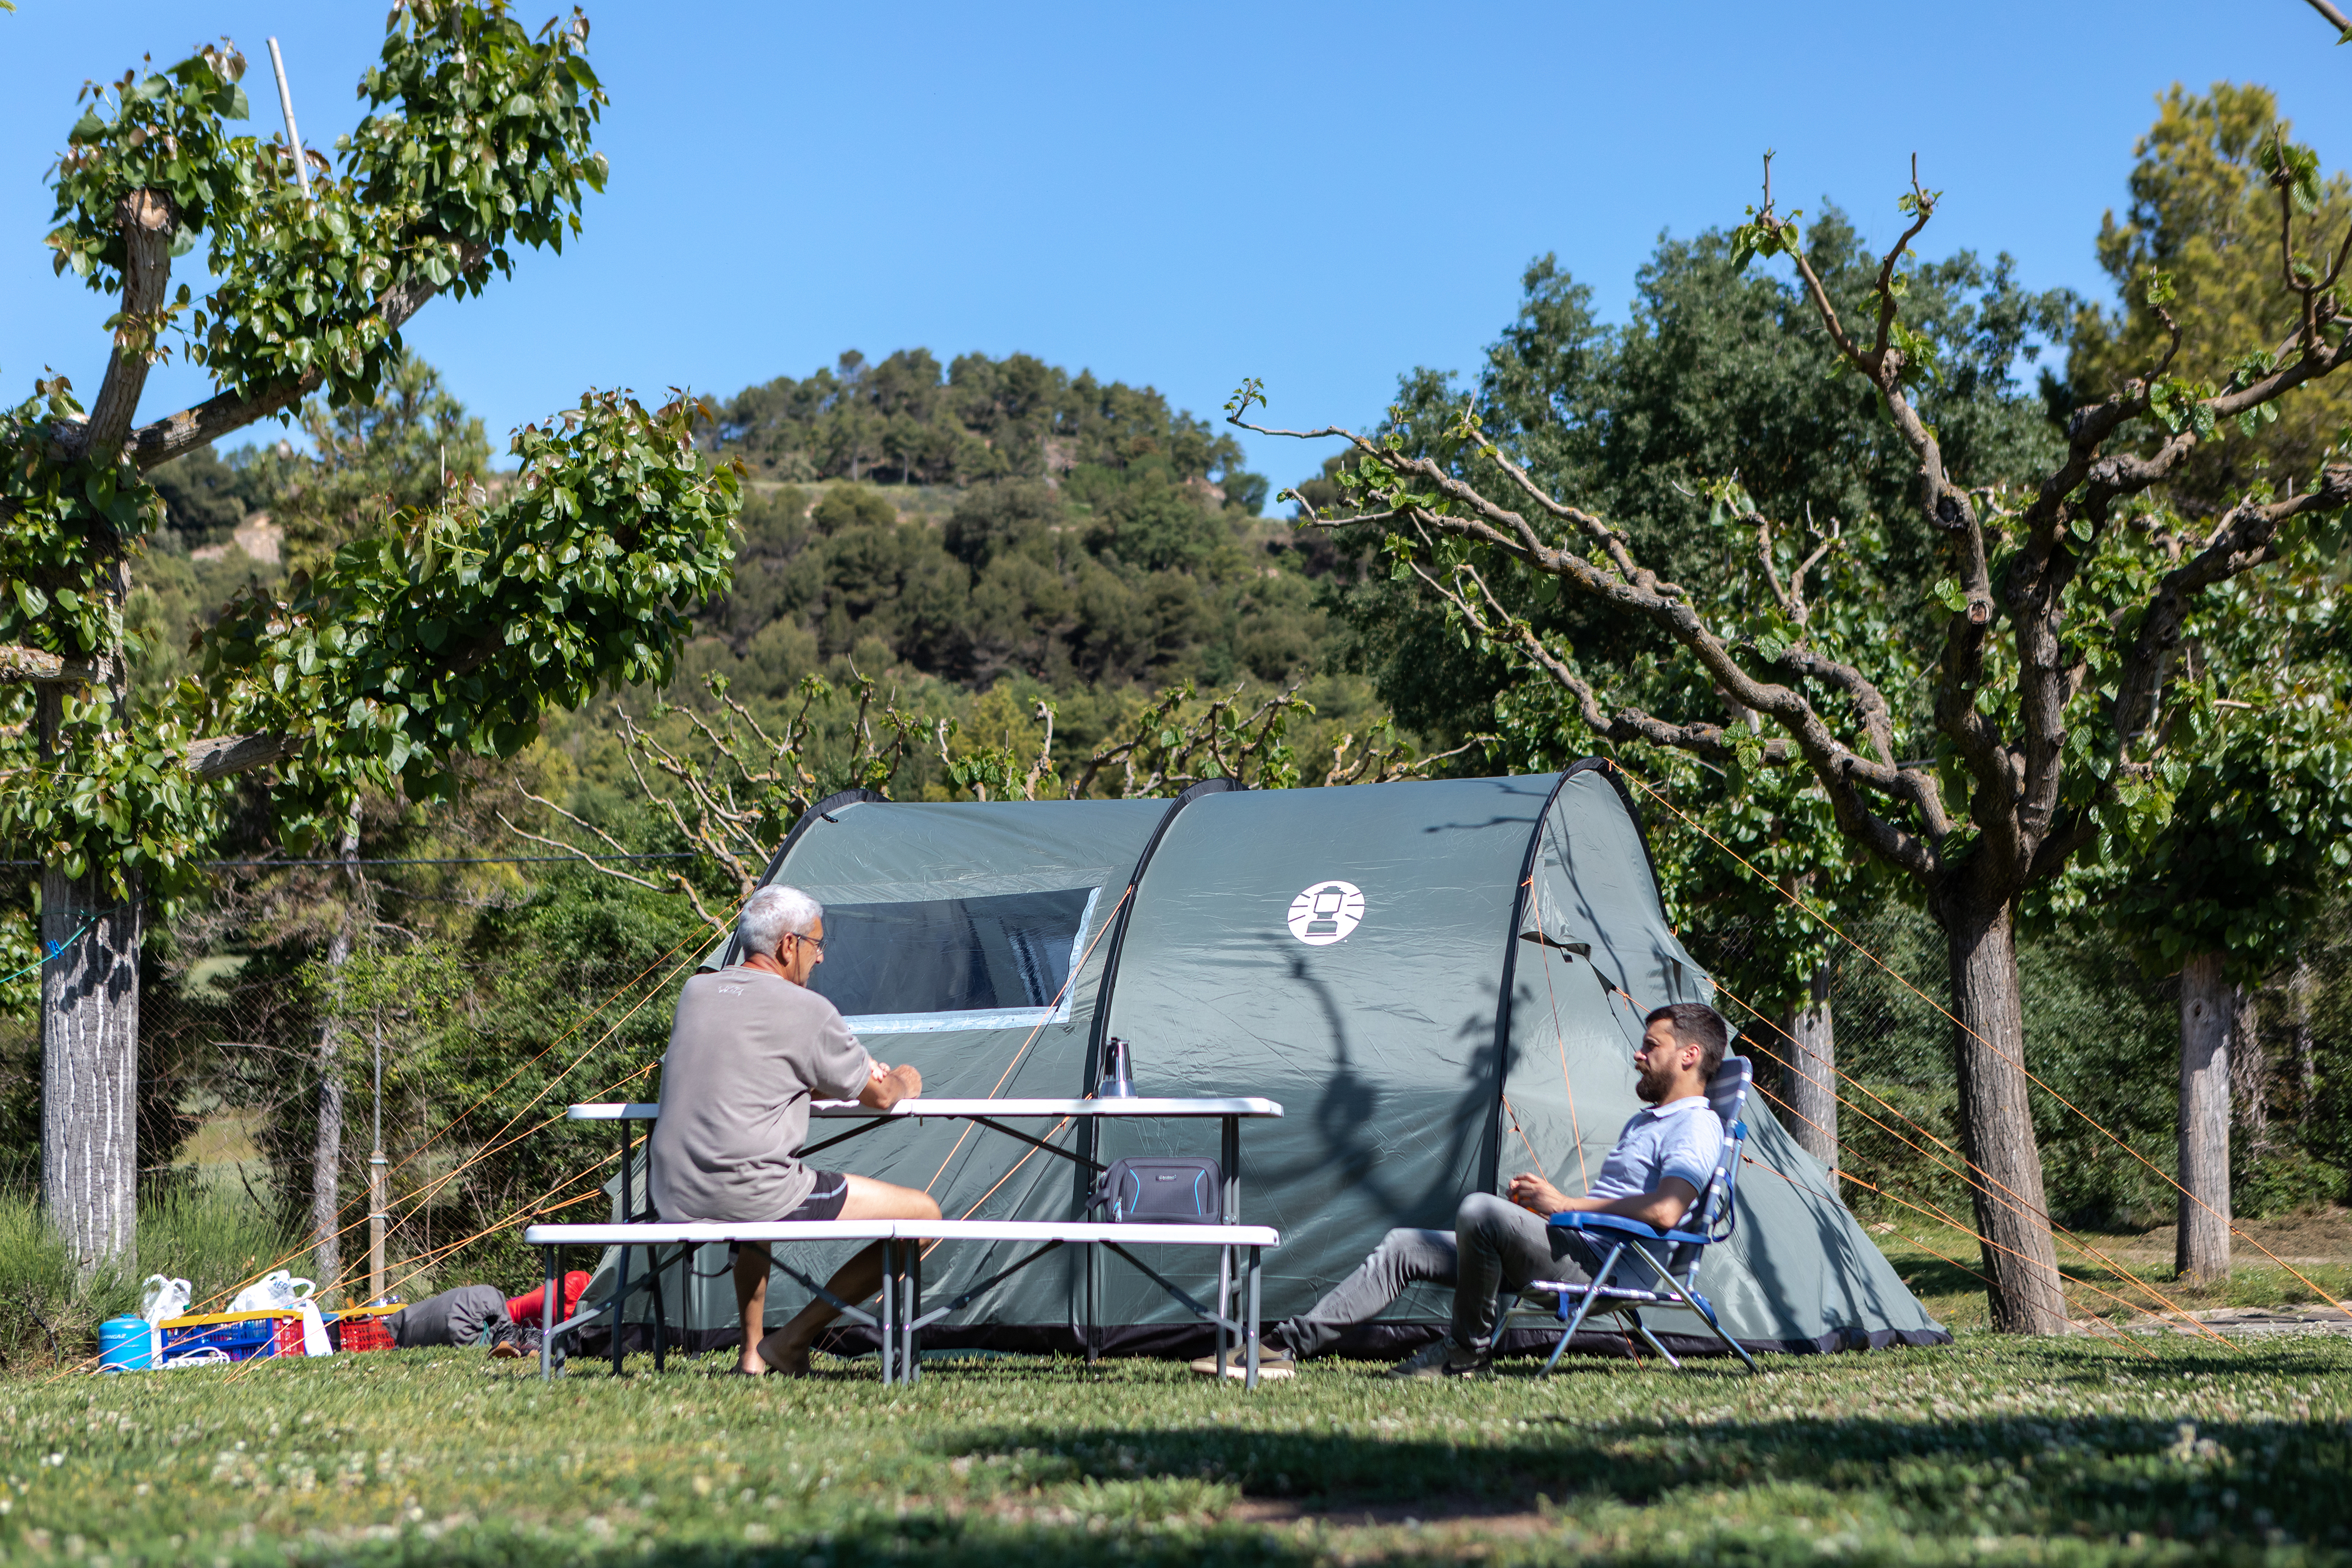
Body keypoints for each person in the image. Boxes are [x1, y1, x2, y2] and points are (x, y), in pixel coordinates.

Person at [1199, 1001, 1729, 1381]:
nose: (1638, 1055)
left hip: (1605, 1268)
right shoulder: (1648, 1121)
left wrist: (1565, 1204)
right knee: (1405, 1244)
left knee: (1480, 1209)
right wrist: (1554, 1214)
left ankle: (1466, 1351)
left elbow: (1664, 1210)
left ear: (1689, 1056)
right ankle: (1280, 1346)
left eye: (1651, 1046)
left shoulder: (1695, 1126)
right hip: (1577, 1247)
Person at [648, 883, 939, 1376]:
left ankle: (751, 1353)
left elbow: (751, 1071)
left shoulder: (696, 990)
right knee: (925, 1217)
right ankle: (793, 1340)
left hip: (672, 1193)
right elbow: (884, 1096)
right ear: (788, 945)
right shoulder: (808, 1009)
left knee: (755, 1207)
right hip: (751, 1191)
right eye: (816, 944)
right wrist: (906, 1077)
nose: (820, 957)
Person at [383, 1269, 588, 1355]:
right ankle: (520, 1337)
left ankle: (516, 1336)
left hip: (488, 1308)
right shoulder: (574, 1291)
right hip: (491, 1315)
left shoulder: (576, 1282)